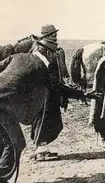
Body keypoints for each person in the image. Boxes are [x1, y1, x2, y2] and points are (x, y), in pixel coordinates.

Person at [0, 34, 85, 183]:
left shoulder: (18, 56)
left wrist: (5, 84)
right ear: (49, 53)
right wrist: (83, 94)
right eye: (54, 52)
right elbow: (59, 88)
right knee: (16, 142)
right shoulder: (42, 68)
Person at [29, 24, 84, 161]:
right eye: (52, 34)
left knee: (51, 120)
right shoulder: (39, 54)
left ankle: (42, 149)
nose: (55, 37)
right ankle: (41, 151)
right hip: (43, 94)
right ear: (45, 37)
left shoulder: (49, 52)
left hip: (51, 93)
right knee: (43, 120)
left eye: (55, 34)